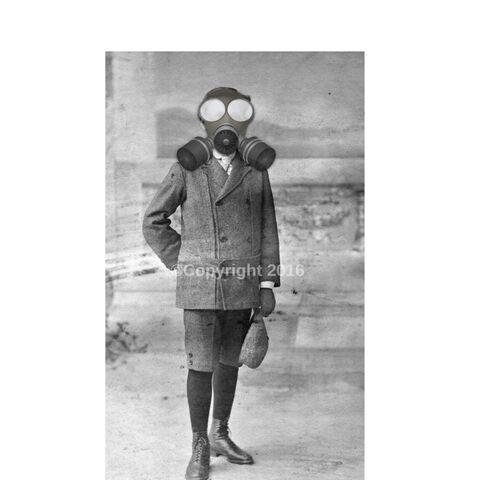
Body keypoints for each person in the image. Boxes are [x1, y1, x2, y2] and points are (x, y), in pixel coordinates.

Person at [143, 87, 280, 480]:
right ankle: (199, 443)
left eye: (237, 115)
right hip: (200, 286)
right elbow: (153, 220)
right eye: (217, 115)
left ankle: (220, 433)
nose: (227, 126)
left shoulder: (255, 170)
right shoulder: (187, 168)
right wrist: (184, 260)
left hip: (243, 284)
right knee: (201, 364)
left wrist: (267, 283)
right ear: (203, 121)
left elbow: (267, 229)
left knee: (230, 361)